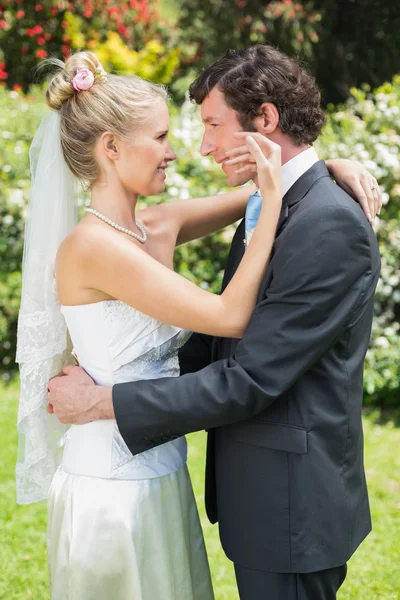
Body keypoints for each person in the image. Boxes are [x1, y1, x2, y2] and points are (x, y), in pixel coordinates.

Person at [48, 45, 381, 600]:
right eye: (163, 137)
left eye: (211, 125)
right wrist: (310, 175)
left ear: (266, 120)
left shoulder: (321, 223)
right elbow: (214, 343)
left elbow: (250, 377)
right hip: (152, 482)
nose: (193, 149)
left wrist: (103, 401)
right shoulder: (273, 203)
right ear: (109, 147)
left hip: (290, 503)